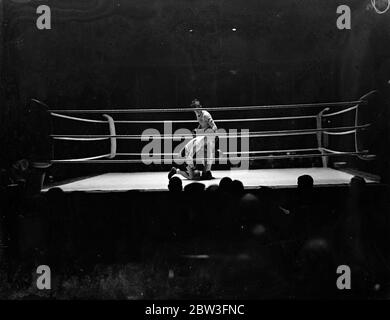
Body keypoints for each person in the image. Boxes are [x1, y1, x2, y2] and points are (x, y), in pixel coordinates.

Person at [169, 99, 218, 180]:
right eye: (196, 108)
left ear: (200, 107)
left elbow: (214, 126)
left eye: (199, 107)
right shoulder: (197, 114)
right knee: (194, 174)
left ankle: (206, 172)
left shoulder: (206, 115)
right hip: (186, 157)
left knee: (208, 154)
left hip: (207, 135)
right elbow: (201, 124)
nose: (197, 110)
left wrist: (214, 133)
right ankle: (205, 172)